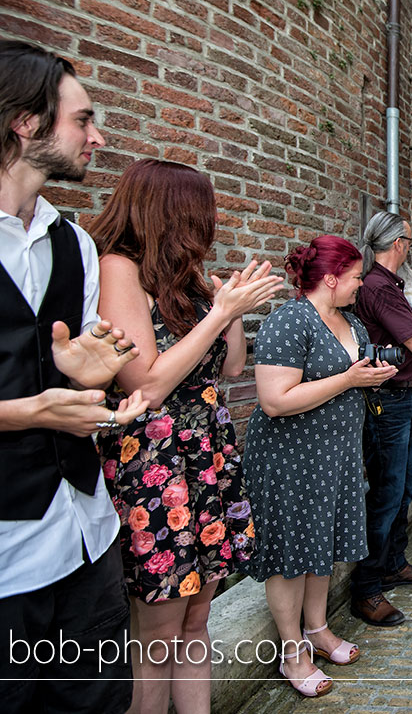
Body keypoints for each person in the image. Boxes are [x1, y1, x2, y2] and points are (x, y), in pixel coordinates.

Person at [89, 159, 281, 713]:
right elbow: (144, 381)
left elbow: (229, 368)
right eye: (201, 210)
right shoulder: (118, 269)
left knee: (198, 618)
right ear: (168, 211)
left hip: (207, 460)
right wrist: (217, 313)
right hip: (156, 464)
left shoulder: (187, 280)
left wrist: (232, 313)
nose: (211, 221)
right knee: (157, 635)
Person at [0, 39, 147, 712]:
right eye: (83, 119)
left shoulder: (75, 243)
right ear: (25, 124)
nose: (98, 135)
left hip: (86, 534)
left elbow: (68, 362)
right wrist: (26, 412)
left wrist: (91, 374)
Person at [244, 236, 397, 698]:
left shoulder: (352, 322)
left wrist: (371, 377)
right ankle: (292, 652)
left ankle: (317, 629)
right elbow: (275, 401)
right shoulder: (289, 321)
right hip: (291, 456)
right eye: (354, 278)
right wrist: (350, 378)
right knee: (292, 554)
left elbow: (351, 383)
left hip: (336, 454)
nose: (359, 286)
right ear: (330, 278)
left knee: (323, 544)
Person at [350, 212, 412, 628]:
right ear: (400, 245)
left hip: (398, 397)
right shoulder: (380, 289)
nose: (411, 247)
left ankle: (394, 563)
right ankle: (367, 589)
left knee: (403, 485)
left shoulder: (387, 285)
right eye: (409, 240)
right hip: (385, 401)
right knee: (386, 494)